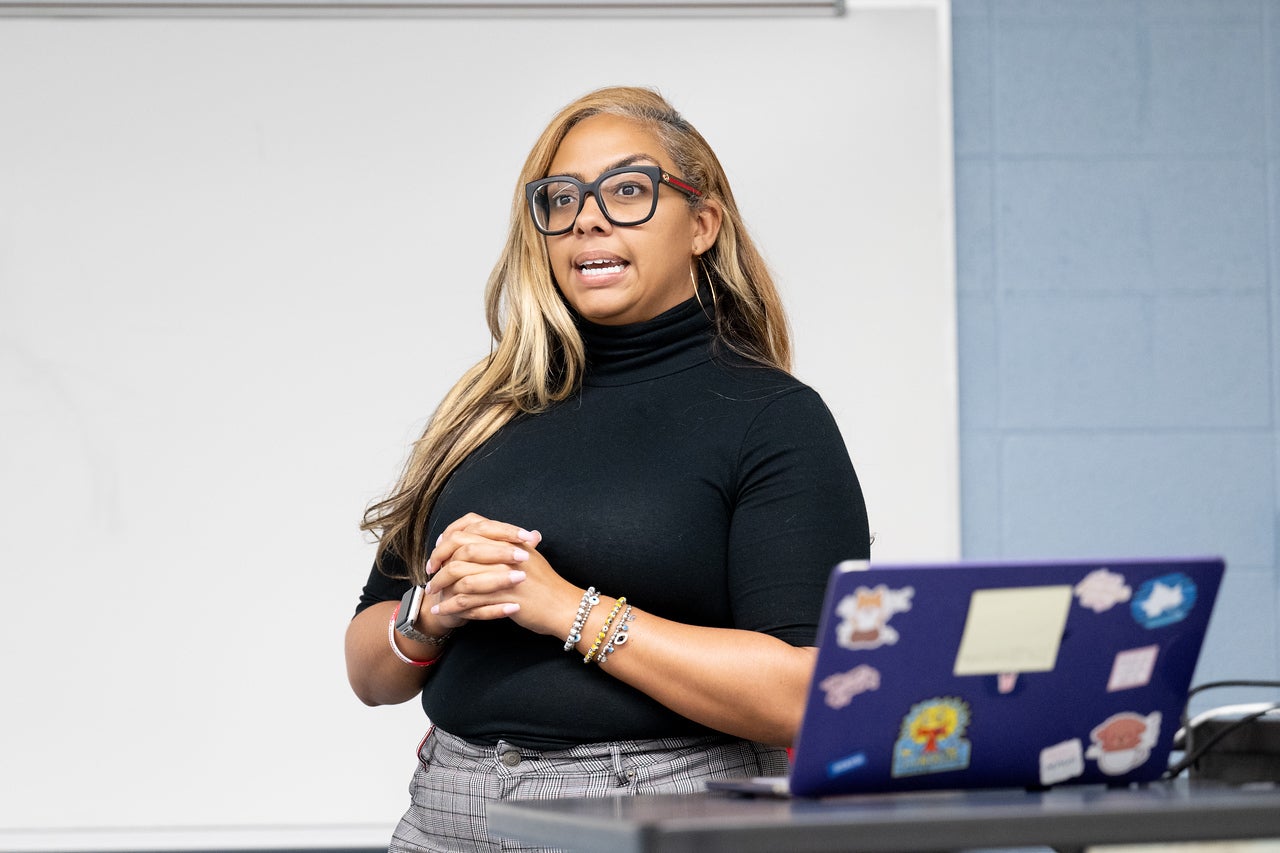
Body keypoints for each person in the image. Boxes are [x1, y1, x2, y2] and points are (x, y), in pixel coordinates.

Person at [345, 85, 871, 853]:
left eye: (628, 189)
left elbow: (807, 693)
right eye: (561, 198)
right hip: (449, 811)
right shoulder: (481, 410)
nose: (587, 216)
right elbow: (369, 672)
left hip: (663, 811)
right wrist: (428, 614)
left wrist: (565, 608)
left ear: (702, 223)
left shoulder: (773, 418)